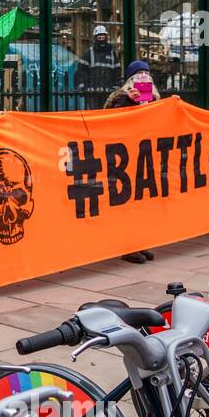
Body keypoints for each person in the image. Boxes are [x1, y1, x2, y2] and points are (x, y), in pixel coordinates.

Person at [106, 60, 159, 264]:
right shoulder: (121, 98)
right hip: (125, 159)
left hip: (143, 156)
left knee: (143, 203)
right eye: (139, 74)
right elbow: (115, 122)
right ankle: (128, 247)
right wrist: (128, 101)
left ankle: (140, 243)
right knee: (127, 203)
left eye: (146, 73)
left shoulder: (153, 97)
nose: (143, 77)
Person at [75, 24, 119, 106]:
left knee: (106, 114)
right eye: (99, 36)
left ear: (106, 37)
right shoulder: (88, 53)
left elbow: (117, 71)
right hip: (92, 92)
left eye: (103, 35)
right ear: (95, 37)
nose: (101, 38)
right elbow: (81, 71)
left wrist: (116, 86)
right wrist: (83, 86)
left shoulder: (112, 54)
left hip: (108, 92)